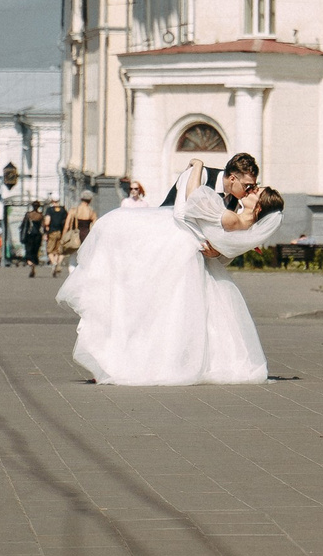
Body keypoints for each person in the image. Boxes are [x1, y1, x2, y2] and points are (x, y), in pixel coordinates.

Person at [58, 151, 283, 385]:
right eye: (248, 185)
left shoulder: (236, 203)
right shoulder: (201, 175)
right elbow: (182, 212)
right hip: (164, 239)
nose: (250, 190)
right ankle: (110, 357)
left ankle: (171, 360)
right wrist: (208, 240)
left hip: (191, 254)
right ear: (233, 178)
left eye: (253, 187)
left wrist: (216, 249)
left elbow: (226, 236)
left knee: (177, 311)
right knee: (136, 299)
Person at [57, 192, 94, 276]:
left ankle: (72, 278)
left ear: (81, 198)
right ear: (90, 200)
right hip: (86, 236)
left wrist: (63, 238)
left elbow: (66, 226)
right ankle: (82, 276)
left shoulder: (73, 210)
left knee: (73, 258)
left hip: (75, 236)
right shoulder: (91, 212)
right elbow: (94, 226)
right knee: (85, 258)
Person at [41, 196, 70, 275]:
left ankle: (54, 263)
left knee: (50, 250)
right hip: (61, 232)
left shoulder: (50, 210)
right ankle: (58, 263)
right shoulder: (63, 210)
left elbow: (47, 221)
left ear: (52, 200)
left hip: (52, 232)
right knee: (58, 250)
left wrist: (45, 230)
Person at [20, 203, 45, 276]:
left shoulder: (28, 215)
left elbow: (23, 225)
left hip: (29, 235)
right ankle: (33, 264)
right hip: (38, 235)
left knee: (28, 251)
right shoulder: (40, 215)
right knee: (35, 251)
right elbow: (43, 226)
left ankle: (30, 264)